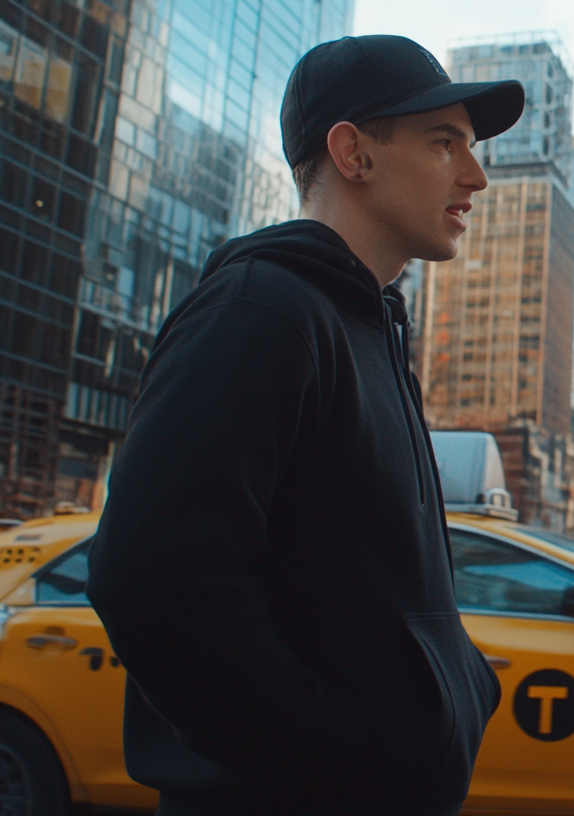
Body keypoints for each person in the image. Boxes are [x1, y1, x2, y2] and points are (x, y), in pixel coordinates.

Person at [85, 36, 524, 816]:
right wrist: (336, 752)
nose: (476, 175)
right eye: (443, 142)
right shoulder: (262, 312)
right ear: (353, 153)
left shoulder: (369, 325)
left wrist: (459, 685)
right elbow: (153, 581)